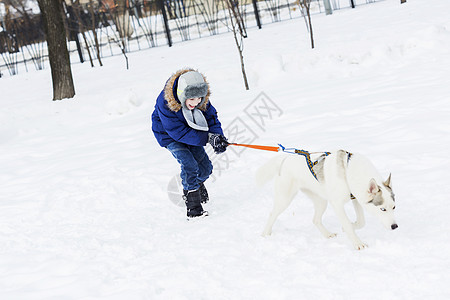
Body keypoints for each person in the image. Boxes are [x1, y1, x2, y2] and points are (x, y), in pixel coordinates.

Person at [152, 68, 229, 218]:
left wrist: (217, 137)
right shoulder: (165, 102)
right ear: (182, 95)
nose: (196, 102)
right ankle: (193, 206)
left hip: (193, 132)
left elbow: (211, 118)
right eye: (192, 99)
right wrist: (207, 138)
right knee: (189, 165)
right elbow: (177, 132)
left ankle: (197, 184)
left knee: (205, 168)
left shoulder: (200, 99)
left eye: (199, 98)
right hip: (170, 136)